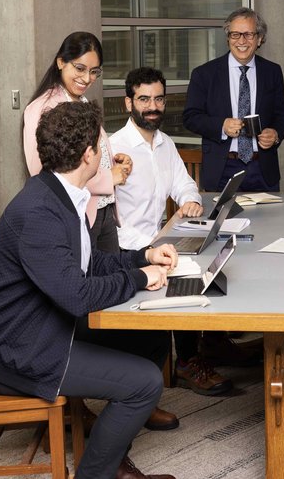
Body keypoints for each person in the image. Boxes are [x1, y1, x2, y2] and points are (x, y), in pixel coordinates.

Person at [0, 102, 180, 479]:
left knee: (152, 338)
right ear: (88, 155)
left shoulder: (63, 193)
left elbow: (89, 263)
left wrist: (142, 258)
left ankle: (110, 457)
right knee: (144, 383)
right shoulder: (39, 212)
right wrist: (140, 279)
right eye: (101, 146)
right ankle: (95, 473)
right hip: (16, 348)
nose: (106, 154)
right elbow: (78, 295)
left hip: (45, 323)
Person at [109, 67, 234, 397]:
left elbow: (184, 185)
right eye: (144, 99)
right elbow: (108, 222)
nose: (152, 106)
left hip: (158, 241)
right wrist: (151, 249)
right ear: (128, 103)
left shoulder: (165, 144)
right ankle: (187, 361)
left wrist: (190, 202)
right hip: (126, 249)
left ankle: (207, 346)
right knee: (185, 272)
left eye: (159, 99)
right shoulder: (113, 149)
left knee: (208, 260)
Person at [24, 31, 131, 254]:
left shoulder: (80, 100)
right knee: (88, 284)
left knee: (112, 278)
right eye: (80, 68)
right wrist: (107, 178)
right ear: (61, 62)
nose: (86, 78)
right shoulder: (43, 108)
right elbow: (44, 175)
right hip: (75, 214)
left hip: (103, 210)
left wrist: (113, 161)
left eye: (94, 72)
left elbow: (84, 153)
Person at [183, 7, 284, 192]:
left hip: (263, 169)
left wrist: (275, 134)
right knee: (224, 222)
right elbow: (191, 117)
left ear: (259, 39)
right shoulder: (204, 74)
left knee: (269, 221)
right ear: (228, 39)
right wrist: (222, 126)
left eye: (248, 34)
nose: (241, 41)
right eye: (235, 34)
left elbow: (282, 116)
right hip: (222, 169)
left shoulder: (273, 72)